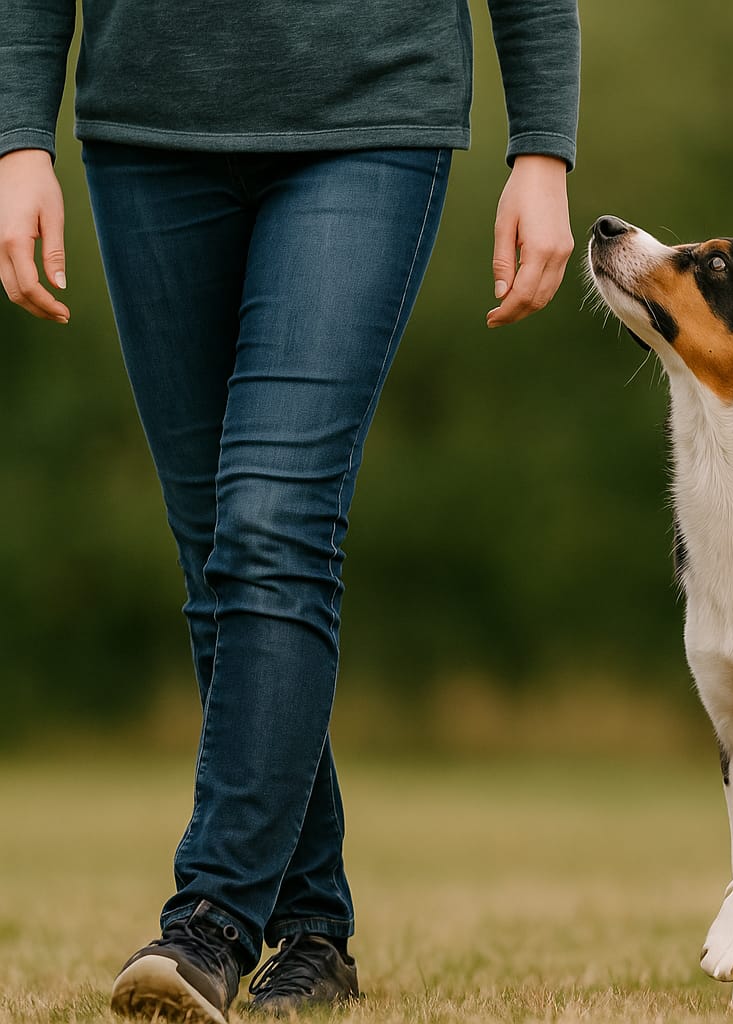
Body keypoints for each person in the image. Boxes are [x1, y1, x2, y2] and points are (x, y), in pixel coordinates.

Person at [0, 2, 578, 1020]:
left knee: (272, 521)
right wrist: (17, 135)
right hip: (147, 128)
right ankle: (314, 927)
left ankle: (211, 919)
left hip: (368, 114)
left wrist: (543, 145)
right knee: (215, 552)